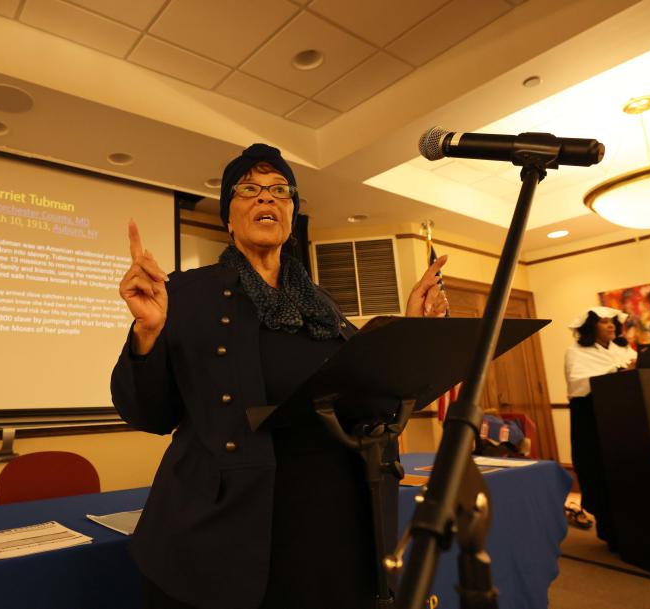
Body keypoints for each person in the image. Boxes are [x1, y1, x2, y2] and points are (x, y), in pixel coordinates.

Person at [111, 143, 449, 609]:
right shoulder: (183, 293)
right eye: (248, 190)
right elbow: (147, 413)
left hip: (332, 533)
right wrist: (147, 334)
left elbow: (370, 399)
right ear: (228, 218)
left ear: (290, 215)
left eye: (279, 191)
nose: (266, 199)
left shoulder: (322, 305)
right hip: (226, 534)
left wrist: (410, 335)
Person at [564, 305, 636, 549]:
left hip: (626, 419)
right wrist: (617, 371)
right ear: (590, 326)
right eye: (604, 321)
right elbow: (578, 385)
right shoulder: (576, 352)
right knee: (600, 471)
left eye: (613, 321)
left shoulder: (623, 349)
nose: (611, 325)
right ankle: (611, 534)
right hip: (592, 419)